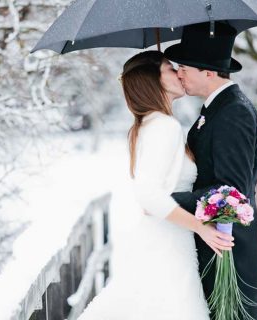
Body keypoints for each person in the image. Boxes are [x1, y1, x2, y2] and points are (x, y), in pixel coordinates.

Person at [76, 50, 234, 320]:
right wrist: (201, 227)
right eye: (170, 69)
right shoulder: (163, 126)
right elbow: (147, 194)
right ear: (155, 81)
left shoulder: (151, 124)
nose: (179, 72)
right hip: (168, 244)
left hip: (167, 238)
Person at [165, 22, 257, 319]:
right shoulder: (218, 108)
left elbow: (230, 192)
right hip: (216, 242)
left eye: (185, 66)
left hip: (228, 249)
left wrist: (169, 202)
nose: (179, 73)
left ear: (208, 72)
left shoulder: (233, 113)